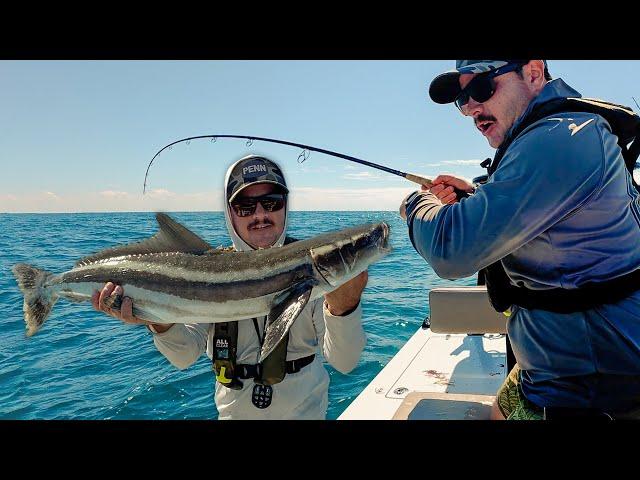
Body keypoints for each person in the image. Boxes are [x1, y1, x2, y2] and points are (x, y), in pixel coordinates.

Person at [400, 60, 640, 420]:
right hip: (554, 363)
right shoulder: (551, 135)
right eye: (462, 100)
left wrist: (417, 203)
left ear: (532, 72)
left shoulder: (561, 138)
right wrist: (476, 197)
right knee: (499, 409)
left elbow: (451, 249)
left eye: (481, 89)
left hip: (593, 387)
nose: (471, 109)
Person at [92, 154, 368, 419]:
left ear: (285, 205)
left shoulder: (313, 264)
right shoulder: (207, 275)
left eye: (271, 202)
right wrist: (156, 319)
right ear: (230, 214)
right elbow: (184, 356)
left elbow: (345, 361)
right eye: (245, 207)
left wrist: (346, 306)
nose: (260, 214)